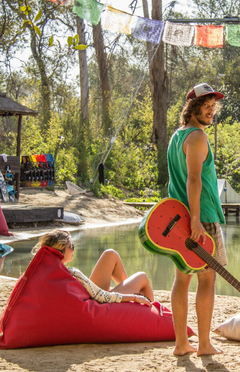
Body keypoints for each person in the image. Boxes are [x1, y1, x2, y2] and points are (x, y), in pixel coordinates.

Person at [167, 83, 227, 356]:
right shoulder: (197, 137)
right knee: (207, 281)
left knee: (182, 280)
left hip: (178, 220)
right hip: (200, 218)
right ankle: (203, 345)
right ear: (191, 108)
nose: (211, 111)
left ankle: (181, 344)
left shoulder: (177, 137)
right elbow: (193, 179)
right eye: (206, 105)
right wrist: (196, 221)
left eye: (213, 106)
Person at [32, 229, 154, 306]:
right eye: (71, 246)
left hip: (88, 296)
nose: (74, 249)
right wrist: (133, 297)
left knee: (110, 254)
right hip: (96, 303)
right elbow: (101, 296)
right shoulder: (72, 273)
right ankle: (154, 314)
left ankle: (130, 292)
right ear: (61, 251)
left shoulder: (49, 270)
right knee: (142, 277)